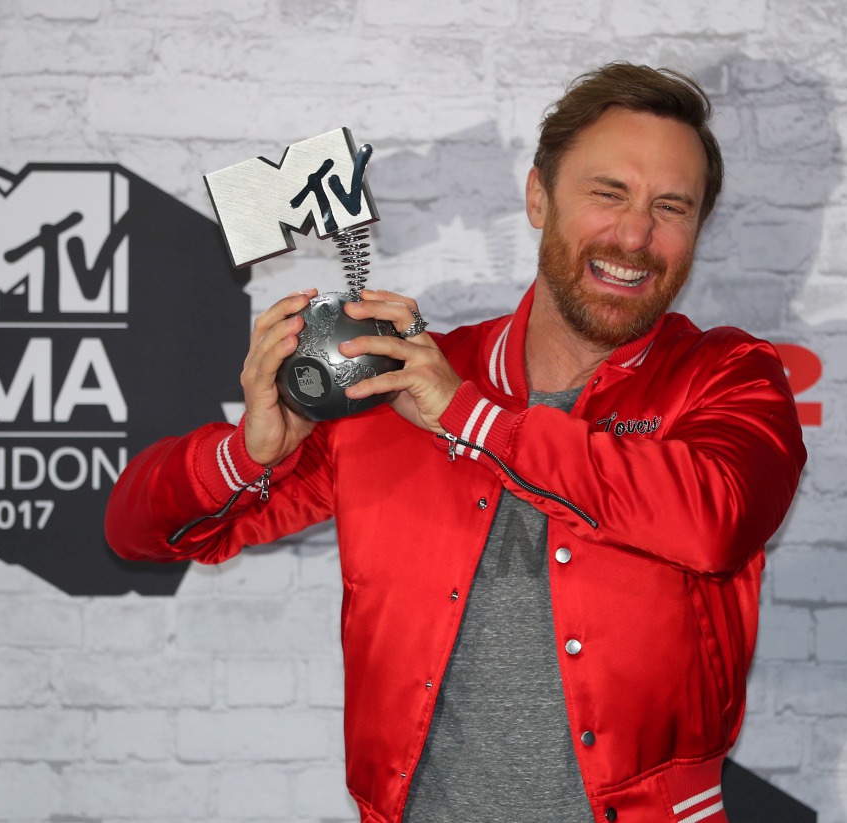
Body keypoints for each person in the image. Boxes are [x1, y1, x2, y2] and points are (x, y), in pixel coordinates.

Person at [106, 61, 806, 823]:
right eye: (608, 193)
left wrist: (473, 420)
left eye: (671, 206)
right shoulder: (398, 386)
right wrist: (249, 453)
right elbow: (136, 529)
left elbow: (714, 519)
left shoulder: (730, 375)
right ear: (539, 196)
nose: (635, 234)